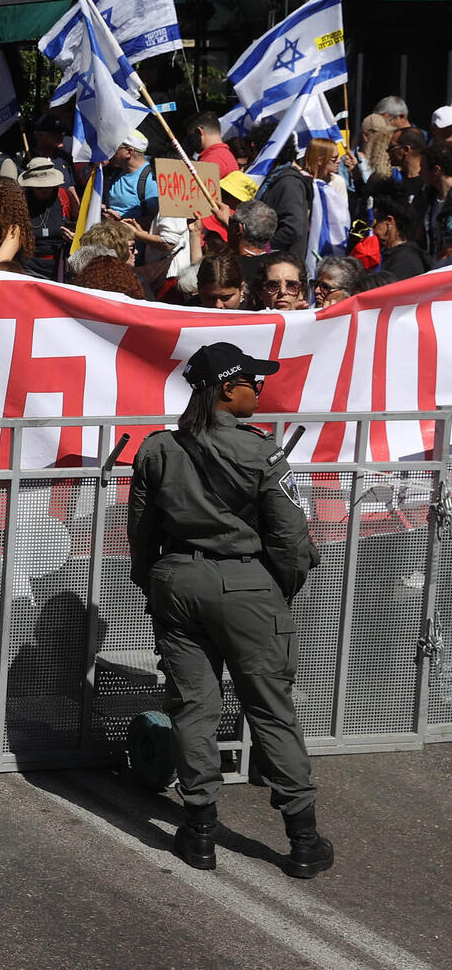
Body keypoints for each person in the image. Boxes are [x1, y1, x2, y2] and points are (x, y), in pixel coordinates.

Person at [127, 341, 331, 879]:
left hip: (176, 581)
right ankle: (303, 841)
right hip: (245, 584)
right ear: (226, 389)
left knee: (193, 707)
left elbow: (141, 534)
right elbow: (290, 539)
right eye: (252, 382)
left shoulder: (157, 448)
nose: (259, 390)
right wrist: (276, 591)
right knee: (270, 708)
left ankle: (199, 833)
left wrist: (155, 585)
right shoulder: (261, 452)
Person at [369, 196, 430, 281]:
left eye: (374, 223)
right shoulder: (387, 253)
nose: (372, 230)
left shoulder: (406, 259)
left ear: (389, 221)